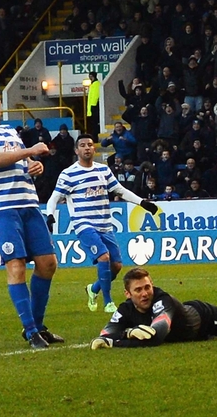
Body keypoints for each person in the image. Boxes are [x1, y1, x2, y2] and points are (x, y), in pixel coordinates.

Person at [0, 84, 63, 349]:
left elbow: (16, 162)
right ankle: (31, 332)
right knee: (16, 265)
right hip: (1, 208)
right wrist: (30, 151)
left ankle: (37, 327)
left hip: (29, 205)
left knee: (48, 263)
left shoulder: (10, 131)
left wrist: (32, 167)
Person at [46, 134, 159, 313]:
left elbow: (120, 190)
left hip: (105, 224)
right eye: (82, 145)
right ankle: (108, 302)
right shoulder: (68, 174)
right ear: (76, 150)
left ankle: (93, 289)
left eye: (90, 145)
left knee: (116, 266)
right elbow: (54, 197)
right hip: (83, 224)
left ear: (94, 148)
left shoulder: (103, 170)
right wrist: (50, 215)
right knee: (104, 257)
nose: (87, 148)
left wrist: (142, 203)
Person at [87, 71, 101, 136]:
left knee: (95, 124)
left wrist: (93, 105)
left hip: (94, 106)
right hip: (92, 107)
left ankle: (95, 136)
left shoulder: (96, 84)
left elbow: (96, 95)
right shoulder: (93, 84)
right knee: (92, 124)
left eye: (90, 76)